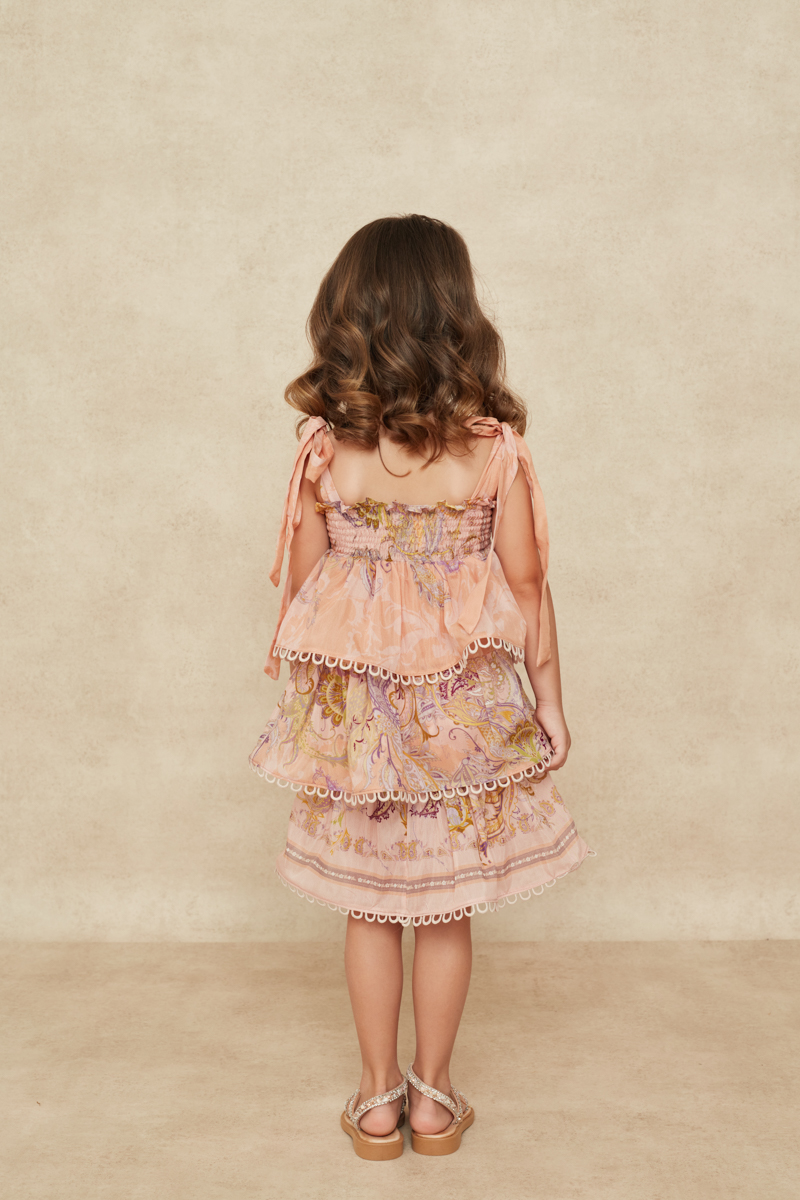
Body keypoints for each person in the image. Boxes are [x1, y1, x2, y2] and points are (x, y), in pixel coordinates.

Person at [249, 214, 595, 1160]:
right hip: (463, 713)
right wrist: (550, 702)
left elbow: (305, 589)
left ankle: (375, 1102)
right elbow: (528, 585)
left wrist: (313, 710)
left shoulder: (327, 448)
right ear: (457, 315)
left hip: (361, 720)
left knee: (371, 903)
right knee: (444, 903)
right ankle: (434, 1100)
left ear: (347, 314)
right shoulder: (493, 449)